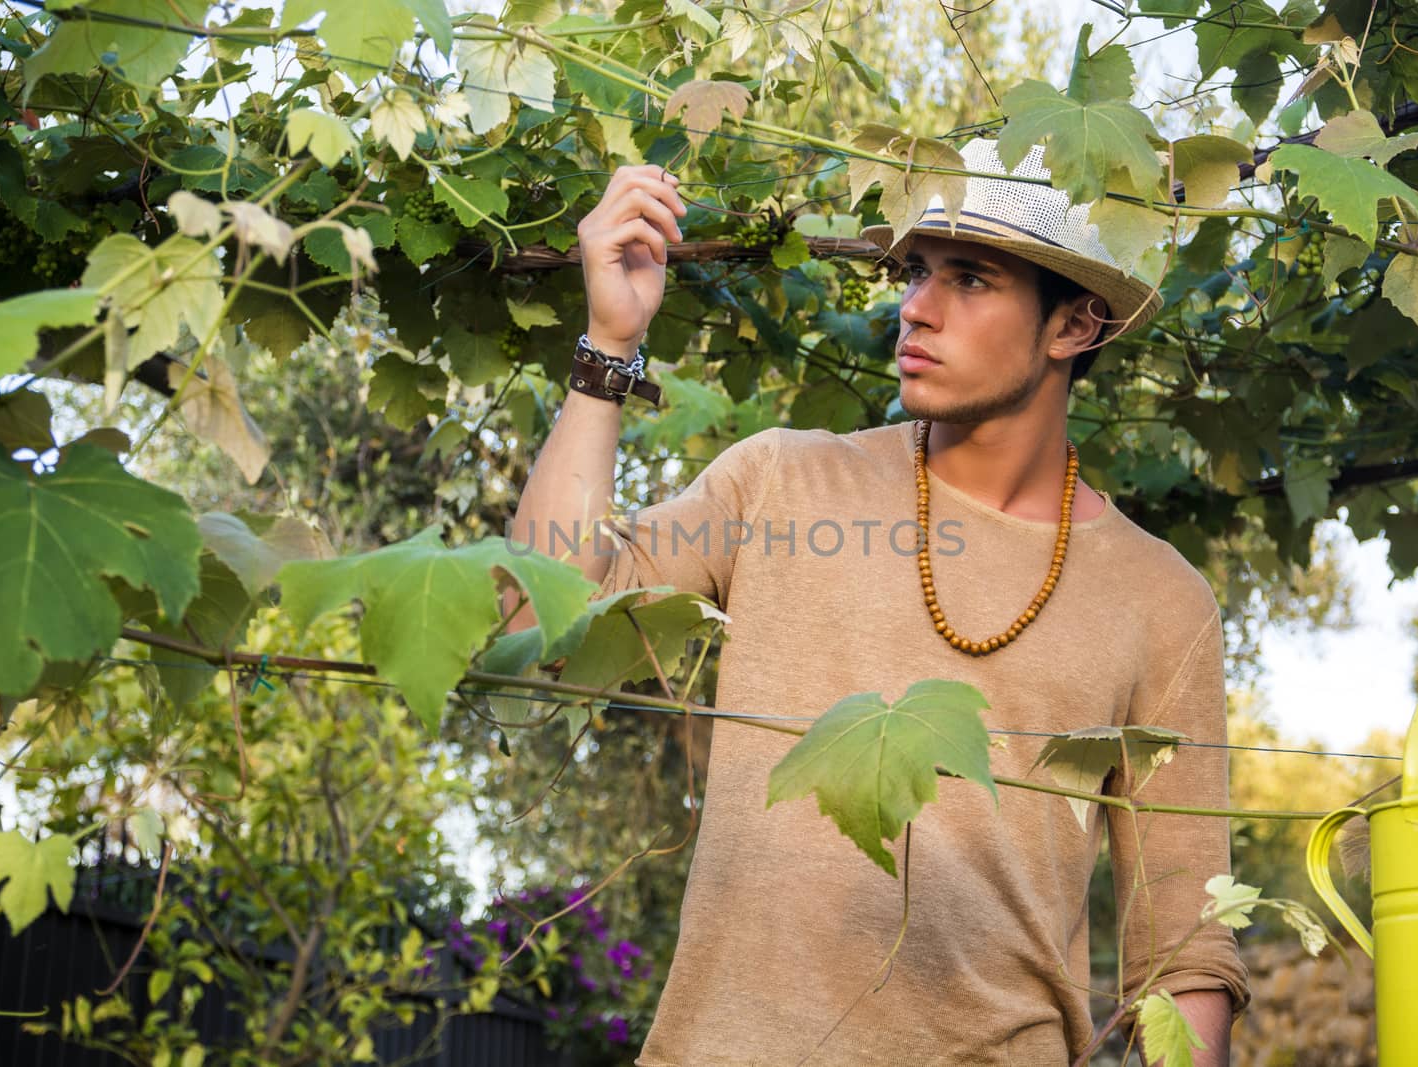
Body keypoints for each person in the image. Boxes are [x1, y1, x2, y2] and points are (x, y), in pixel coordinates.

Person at [506, 138, 1248, 1066]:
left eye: (970, 279)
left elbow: (1184, 950)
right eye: (916, 271)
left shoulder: (1163, 599)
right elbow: (542, 626)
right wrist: (607, 347)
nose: (916, 307)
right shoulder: (781, 480)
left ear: (1076, 325)